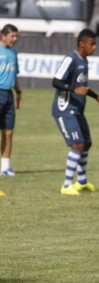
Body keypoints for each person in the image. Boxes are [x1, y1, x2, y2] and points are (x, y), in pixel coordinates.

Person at [52, 29, 99, 195]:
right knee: (77, 145)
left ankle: (81, 182)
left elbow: (83, 86)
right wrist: (73, 89)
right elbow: (56, 81)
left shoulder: (84, 61)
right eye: (92, 44)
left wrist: (96, 97)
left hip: (77, 110)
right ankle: (66, 185)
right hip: (64, 109)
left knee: (86, 144)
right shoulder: (71, 59)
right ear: (82, 44)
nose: (95, 47)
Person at [0, 24, 22, 176]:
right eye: (12, 36)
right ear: (3, 36)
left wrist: (18, 92)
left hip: (8, 95)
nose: (15, 39)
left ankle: (5, 167)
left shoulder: (14, 51)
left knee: (8, 132)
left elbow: (14, 74)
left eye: (16, 36)